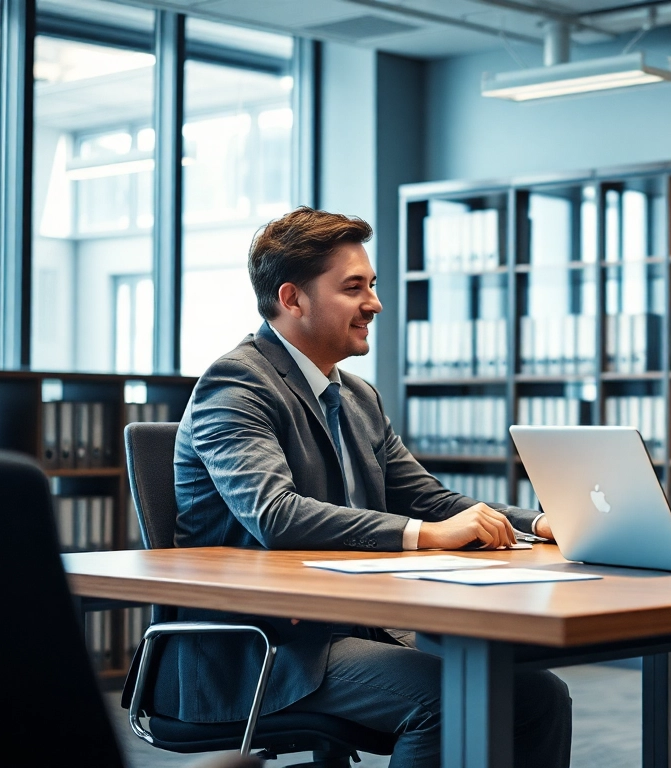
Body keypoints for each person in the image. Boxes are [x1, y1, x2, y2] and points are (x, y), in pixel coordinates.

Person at [147, 207, 571, 768]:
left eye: (372, 286)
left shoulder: (357, 396)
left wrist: (538, 522)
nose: (373, 303)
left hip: (342, 629)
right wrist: (426, 536)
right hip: (262, 648)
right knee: (450, 702)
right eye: (354, 288)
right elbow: (275, 514)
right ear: (292, 297)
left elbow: (433, 500)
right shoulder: (236, 383)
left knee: (539, 695)